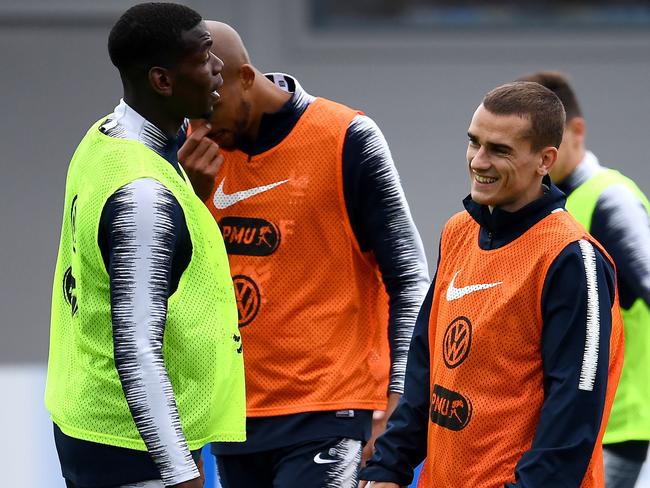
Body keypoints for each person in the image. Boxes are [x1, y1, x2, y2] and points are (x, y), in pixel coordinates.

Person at [178, 21, 429, 488]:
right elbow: (180, 288)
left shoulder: (348, 137)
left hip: (328, 408)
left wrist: (399, 396)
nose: (199, 127)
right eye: (190, 114)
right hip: (234, 413)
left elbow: (409, 277)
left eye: (210, 108)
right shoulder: (195, 157)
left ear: (246, 79)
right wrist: (192, 198)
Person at [359, 81, 625, 487]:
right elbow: (426, 369)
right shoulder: (459, 231)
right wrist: (387, 468)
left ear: (544, 160)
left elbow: (573, 415)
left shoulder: (572, 258)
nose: (478, 161)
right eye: (474, 142)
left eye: (499, 150)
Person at [44, 4, 245, 487]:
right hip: (132, 447)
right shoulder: (143, 194)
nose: (219, 66)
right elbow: (135, 347)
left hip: (95, 419)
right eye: (203, 57)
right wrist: (178, 471)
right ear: (162, 80)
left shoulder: (103, 138)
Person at [518, 71, 650, 488]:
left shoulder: (609, 198)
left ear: (577, 131)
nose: (543, 155)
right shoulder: (541, 207)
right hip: (572, 427)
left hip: (618, 428)